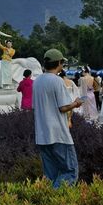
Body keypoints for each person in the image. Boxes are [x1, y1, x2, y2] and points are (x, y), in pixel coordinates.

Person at [33, 48, 83, 188]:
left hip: (42, 135)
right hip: (58, 134)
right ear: (59, 63)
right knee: (70, 172)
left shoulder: (37, 81)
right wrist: (76, 103)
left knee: (50, 175)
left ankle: (48, 203)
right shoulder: (57, 81)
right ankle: (57, 200)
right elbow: (63, 107)